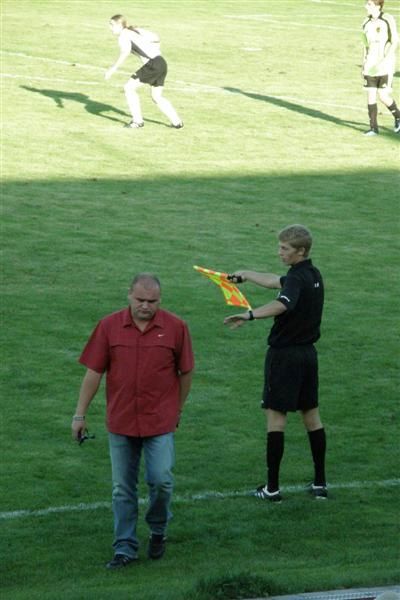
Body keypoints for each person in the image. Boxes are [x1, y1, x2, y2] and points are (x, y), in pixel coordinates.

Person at [71, 274, 194, 568]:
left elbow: (186, 371)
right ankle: (124, 547)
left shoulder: (176, 327)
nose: (145, 306)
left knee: (161, 480)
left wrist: (177, 409)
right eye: (140, 300)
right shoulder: (108, 326)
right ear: (129, 295)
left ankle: (158, 530)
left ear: (160, 300)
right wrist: (79, 414)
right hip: (122, 420)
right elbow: (93, 372)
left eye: (152, 301)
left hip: (159, 420)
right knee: (122, 488)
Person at [224, 225, 327, 502]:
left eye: (285, 248)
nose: (279, 252)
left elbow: (282, 303)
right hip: (308, 356)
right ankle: (320, 484)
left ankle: (272, 489)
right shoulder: (312, 274)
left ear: (300, 251)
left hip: (284, 358)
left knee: (276, 419)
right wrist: (246, 274)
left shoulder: (295, 279)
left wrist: (249, 315)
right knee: (312, 417)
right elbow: (275, 281)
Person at [104, 15, 183, 129]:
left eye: (112, 25)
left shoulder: (123, 35)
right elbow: (156, 38)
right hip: (161, 62)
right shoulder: (134, 30)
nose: (110, 27)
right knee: (156, 97)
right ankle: (177, 122)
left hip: (152, 65)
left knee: (128, 88)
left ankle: (137, 121)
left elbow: (125, 52)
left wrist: (112, 69)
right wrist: (154, 49)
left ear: (119, 25)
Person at [362, 0, 400, 135]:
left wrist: (385, 60)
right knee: (370, 95)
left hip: (385, 65)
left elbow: (395, 41)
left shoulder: (387, 19)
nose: (366, 6)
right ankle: (373, 128)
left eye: (369, 4)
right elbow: (365, 45)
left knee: (383, 96)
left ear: (378, 6)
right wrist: (364, 62)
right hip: (370, 65)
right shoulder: (365, 22)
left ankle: (398, 117)